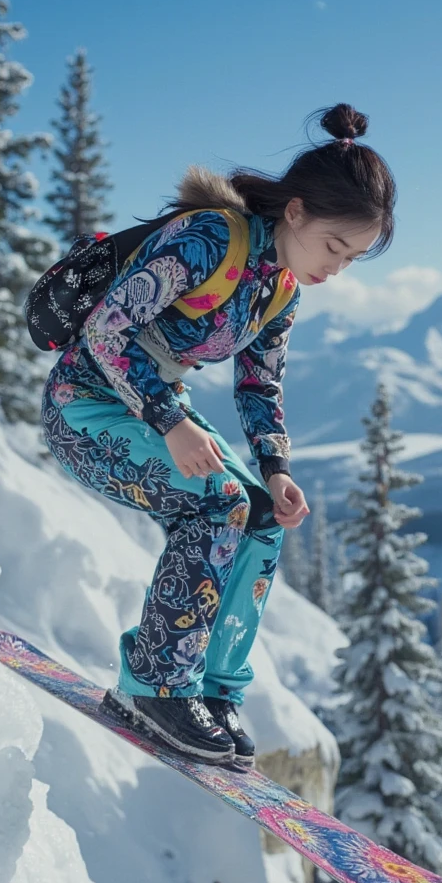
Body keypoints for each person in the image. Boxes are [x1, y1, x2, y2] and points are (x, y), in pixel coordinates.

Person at [41, 102, 396, 765]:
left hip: (147, 408)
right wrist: (170, 421)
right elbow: (105, 331)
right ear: (296, 211)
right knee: (215, 503)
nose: (338, 268)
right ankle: (156, 686)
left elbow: (259, 385)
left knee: (259, 513)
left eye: (354, 258)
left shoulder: (282, 289)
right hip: (83, 406)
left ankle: (212, 692)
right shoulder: (208, 239)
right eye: (335, 246)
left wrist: (276, 468)